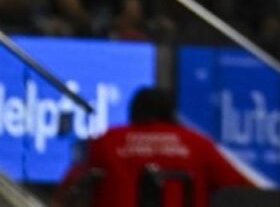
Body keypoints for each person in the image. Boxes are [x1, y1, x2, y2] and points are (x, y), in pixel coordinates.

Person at [56, 86, 251, 206]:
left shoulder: (105, 141)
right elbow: (241, 190)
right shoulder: (197, 143)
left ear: (133, 111)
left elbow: (68, 192)